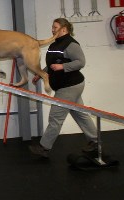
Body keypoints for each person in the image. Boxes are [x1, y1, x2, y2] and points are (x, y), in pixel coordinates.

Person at [29, 18, 98, 158]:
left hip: (69, 86)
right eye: (52, 27)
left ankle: (44, 147)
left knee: (55, 117)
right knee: (80, 114)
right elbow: (52, 64)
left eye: (55, 27)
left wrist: (63, 67)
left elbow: (81, 62)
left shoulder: (71, 44)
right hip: (71, 86)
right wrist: (41, 73)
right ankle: (95, 141)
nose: (52, 29)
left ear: (64, 29)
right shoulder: (55, 45)